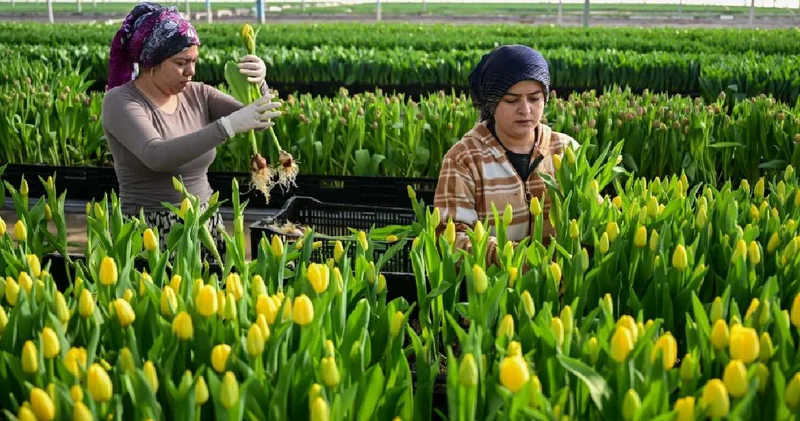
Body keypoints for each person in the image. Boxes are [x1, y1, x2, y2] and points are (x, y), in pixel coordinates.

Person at [102, 3, 281, 264]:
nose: (191, 71)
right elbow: (157, 155)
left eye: (194, 61)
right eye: (181, 63)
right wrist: (228, 126)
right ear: (151, 62)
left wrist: (260, 83)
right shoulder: (121, 102)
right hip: (153, 230)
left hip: (206, 221)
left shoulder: (199, 93)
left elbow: (259, 120)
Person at [433, 45, 578, 267]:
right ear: (491, 103)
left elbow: (589, 212)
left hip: (560, 288)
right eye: (512, 100)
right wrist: (518, 260)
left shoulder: (565, 149)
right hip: (492, 290)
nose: (525, 109)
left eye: (534, 98)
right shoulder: (464, 159)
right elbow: (450, 236)